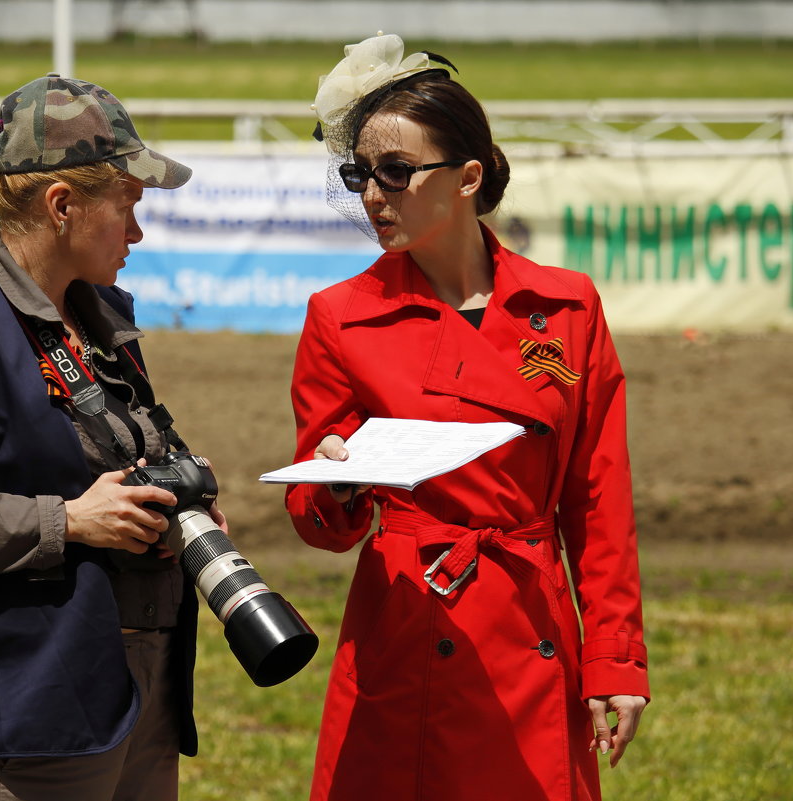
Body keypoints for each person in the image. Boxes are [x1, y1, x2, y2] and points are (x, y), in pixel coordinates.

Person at [285, 34, 650, 801]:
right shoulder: (339, 317)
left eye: (395, 172)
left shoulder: (569, 306)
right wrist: (339, 485)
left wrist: (615, 660)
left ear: (468, 177)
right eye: (360, 174)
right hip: (408, 630)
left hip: (530, 621)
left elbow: (597, 498)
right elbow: (319, 520)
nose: (372, 196)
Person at [0, 74, 222, 801]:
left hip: (130, 690)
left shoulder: (98, 317)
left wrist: (174, 502)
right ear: (62, 206)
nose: (139, 232)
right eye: (128, 208)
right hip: (28, 707)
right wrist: (69, 521)